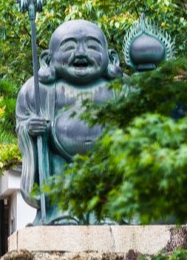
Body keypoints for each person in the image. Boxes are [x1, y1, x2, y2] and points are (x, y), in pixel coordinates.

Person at [15, 19, 121, 225]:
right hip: (60, 160)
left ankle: (109, 211)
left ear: (111, 58)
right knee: (57, 169)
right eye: (70, 47)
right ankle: (61, 212)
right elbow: (23, 122)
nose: (81, 53)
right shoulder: (36, 90)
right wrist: (30, 129)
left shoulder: (121, 89)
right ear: (47, 59)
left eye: (91, 47)